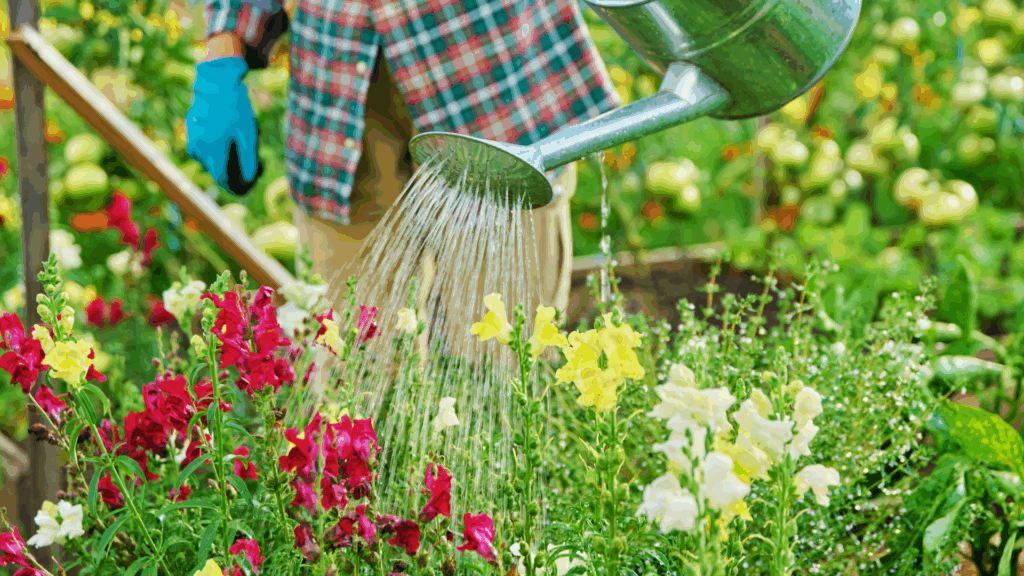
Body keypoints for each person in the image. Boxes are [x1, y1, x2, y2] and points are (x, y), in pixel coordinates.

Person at [185, 0, 620, 315]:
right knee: (353, 378)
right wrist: (225, 51)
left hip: (489, 71)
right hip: (340, 81)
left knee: (504, 358)